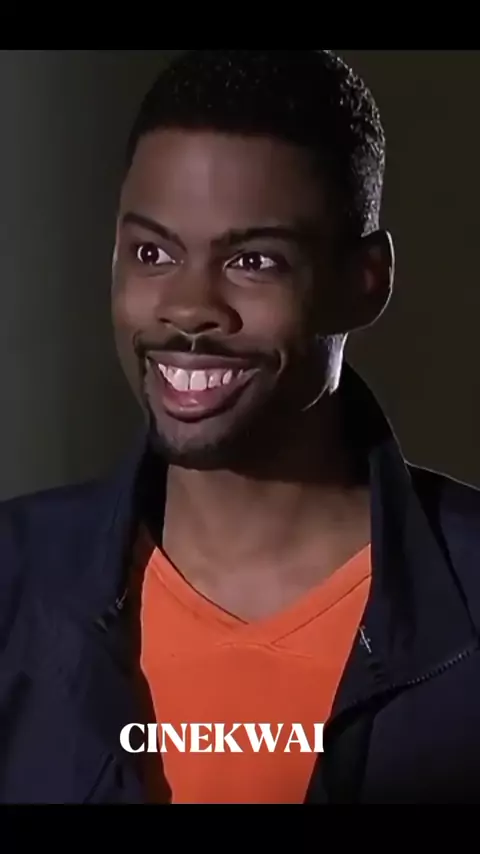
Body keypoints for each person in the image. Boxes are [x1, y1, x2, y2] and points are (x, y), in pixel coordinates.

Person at [2, 49, 480, 806]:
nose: (188, 308)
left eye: (254, 261)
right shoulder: (13, 582)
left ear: (365, 283)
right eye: (153, 253)